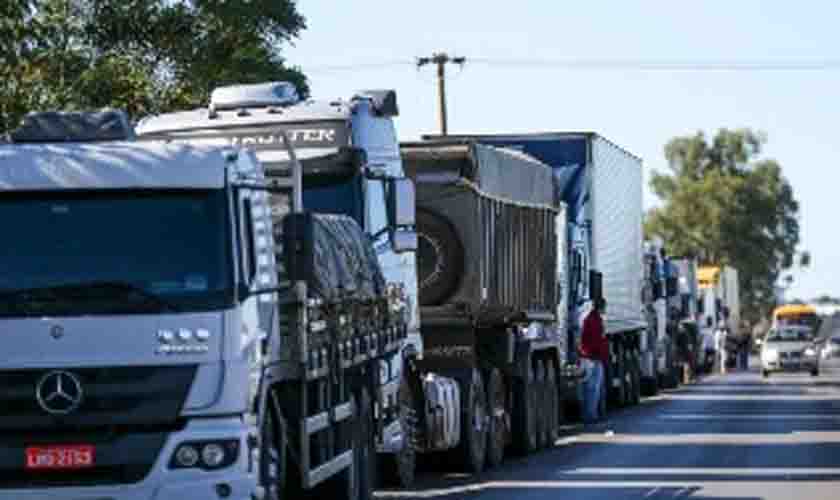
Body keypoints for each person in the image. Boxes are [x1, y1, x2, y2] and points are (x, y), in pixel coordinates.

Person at [580, 298, 609, 424]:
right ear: (601, 307)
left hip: (590, 356)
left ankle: (591, 414)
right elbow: (597, 340)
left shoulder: (590, 319)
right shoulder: (595, 321)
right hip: (593, 357)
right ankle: (591, 415)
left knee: (591, 388)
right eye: (604, 307)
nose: (605, 310)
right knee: (593, 388)